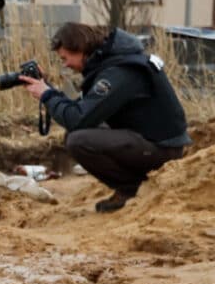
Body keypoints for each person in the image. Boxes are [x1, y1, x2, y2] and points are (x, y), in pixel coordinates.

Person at [18, 21, 191, 212]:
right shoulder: (116, 62)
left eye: (65, 58)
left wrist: (47, 95)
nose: (66, 65)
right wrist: (48, 89)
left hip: (162, 149)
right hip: (152, 140)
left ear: (80, 48)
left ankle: (132, 189)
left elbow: (77, 119)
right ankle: (132, 186)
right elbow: (84, 110)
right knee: (77, 135)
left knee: (78, 140)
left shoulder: (120, 72)